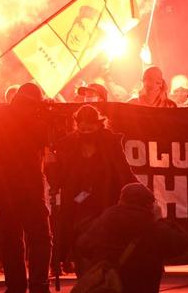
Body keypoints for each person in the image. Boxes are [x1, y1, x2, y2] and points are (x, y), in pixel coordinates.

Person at [0, 83, 61, 293]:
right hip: (27, 188)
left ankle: (15, 290)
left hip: (1, 188)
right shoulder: (36, 121)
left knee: (12, 241)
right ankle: (39, 287)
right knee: (41, 238)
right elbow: (49, 139)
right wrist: (47, 115)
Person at [49, 104, 137, 280]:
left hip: (105, 201)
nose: (86, 132)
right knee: (80, 242)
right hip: (77, 203)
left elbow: (124, 171)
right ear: (77, 127)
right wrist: (51, 166)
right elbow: (58, 176)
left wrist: (139, 190)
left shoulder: (111, 144)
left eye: (90, 128)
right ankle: (80, 274)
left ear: (98, 125)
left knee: (103, 244)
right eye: (82, 128)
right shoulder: (67, 146)